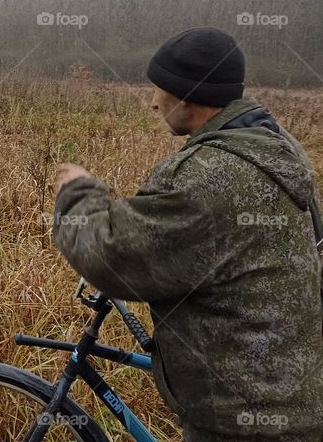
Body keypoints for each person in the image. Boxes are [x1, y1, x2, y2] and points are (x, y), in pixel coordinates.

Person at [52, 26, 323, 442]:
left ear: (188, 95)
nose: (153, 102)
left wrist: (77, 192)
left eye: (159, 89)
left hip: (244, 420)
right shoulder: (274, 145)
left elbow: (109, 254)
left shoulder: (205, 176)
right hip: (300, 394)